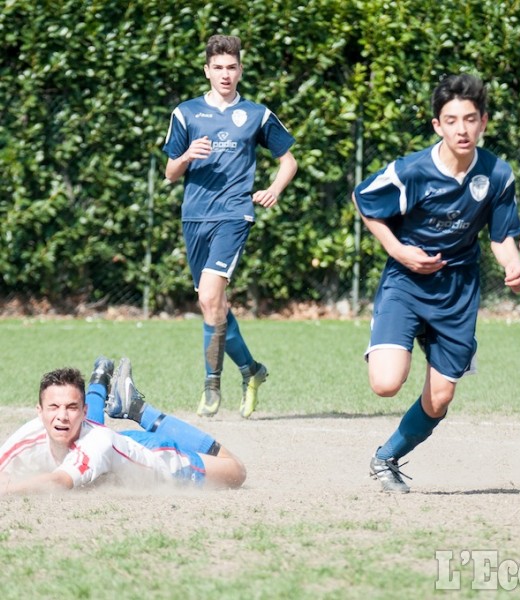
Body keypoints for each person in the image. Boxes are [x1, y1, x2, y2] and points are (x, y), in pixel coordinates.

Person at [352, 74, 520, 493]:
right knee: (385, 384)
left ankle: (386, 457)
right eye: (451, 120)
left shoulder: (497, 175)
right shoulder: (412, 171)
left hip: (457, 291)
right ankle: (402, 333)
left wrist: (513, 264)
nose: (461, 129)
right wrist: (398, 251)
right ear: (437, 125)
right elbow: (365, 202)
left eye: (470, 119)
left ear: (483, 121)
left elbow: (501, 236)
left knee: (441, 398)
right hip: (407, 284)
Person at [163, 34, 298, 418]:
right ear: (207, 70)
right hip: (194, 217)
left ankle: (211, 385)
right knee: (215, 305)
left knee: (209, 297)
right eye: (218, 67)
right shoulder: (185, 113)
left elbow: (288, 161)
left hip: (234, 215)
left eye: (232, 67)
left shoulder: (257, 114)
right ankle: (252, 371)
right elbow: (171, 173)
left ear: (240, 69)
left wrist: (273, 189)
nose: (225, 74)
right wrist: (187, 155)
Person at [0, 357, 246, 494]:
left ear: (84, 411)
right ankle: (99, 379)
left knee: (235, 470)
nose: (61, 416)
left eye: (72, 407)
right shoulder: (30, 433)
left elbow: (58, 482)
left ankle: (138, 410)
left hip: (154, 457)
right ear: (39, 411)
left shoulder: (97, 443)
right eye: (53, 407)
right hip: (114, 449)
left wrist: (9, 490)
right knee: (84, 433)